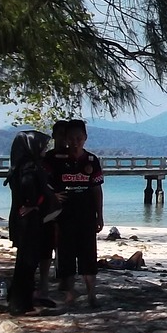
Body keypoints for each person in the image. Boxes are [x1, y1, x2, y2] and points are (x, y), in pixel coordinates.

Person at [43, 119, 104, 308]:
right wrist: (52, 195)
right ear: (66, 139)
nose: (75, 142)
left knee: (88, 254)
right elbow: (41, 182)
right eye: (72, 138)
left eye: (79, 138)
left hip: (86, 214)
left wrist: (100, 215)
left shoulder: (92, 161)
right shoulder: (54, 159)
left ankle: (91, 294)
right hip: (64, 215)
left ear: (85, 138)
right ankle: (70, 293)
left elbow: (96, 190)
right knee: (66, 255)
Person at [4, 130, 56, 314]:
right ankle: (21, 303)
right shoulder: (29, 168)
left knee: (26, 261)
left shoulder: (20, 166)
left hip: (24, 219)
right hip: (29, 221)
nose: (44, 149)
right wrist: (33, 204)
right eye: (41, 145)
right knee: (28, 261)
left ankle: (20, 300)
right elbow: (29, 189)